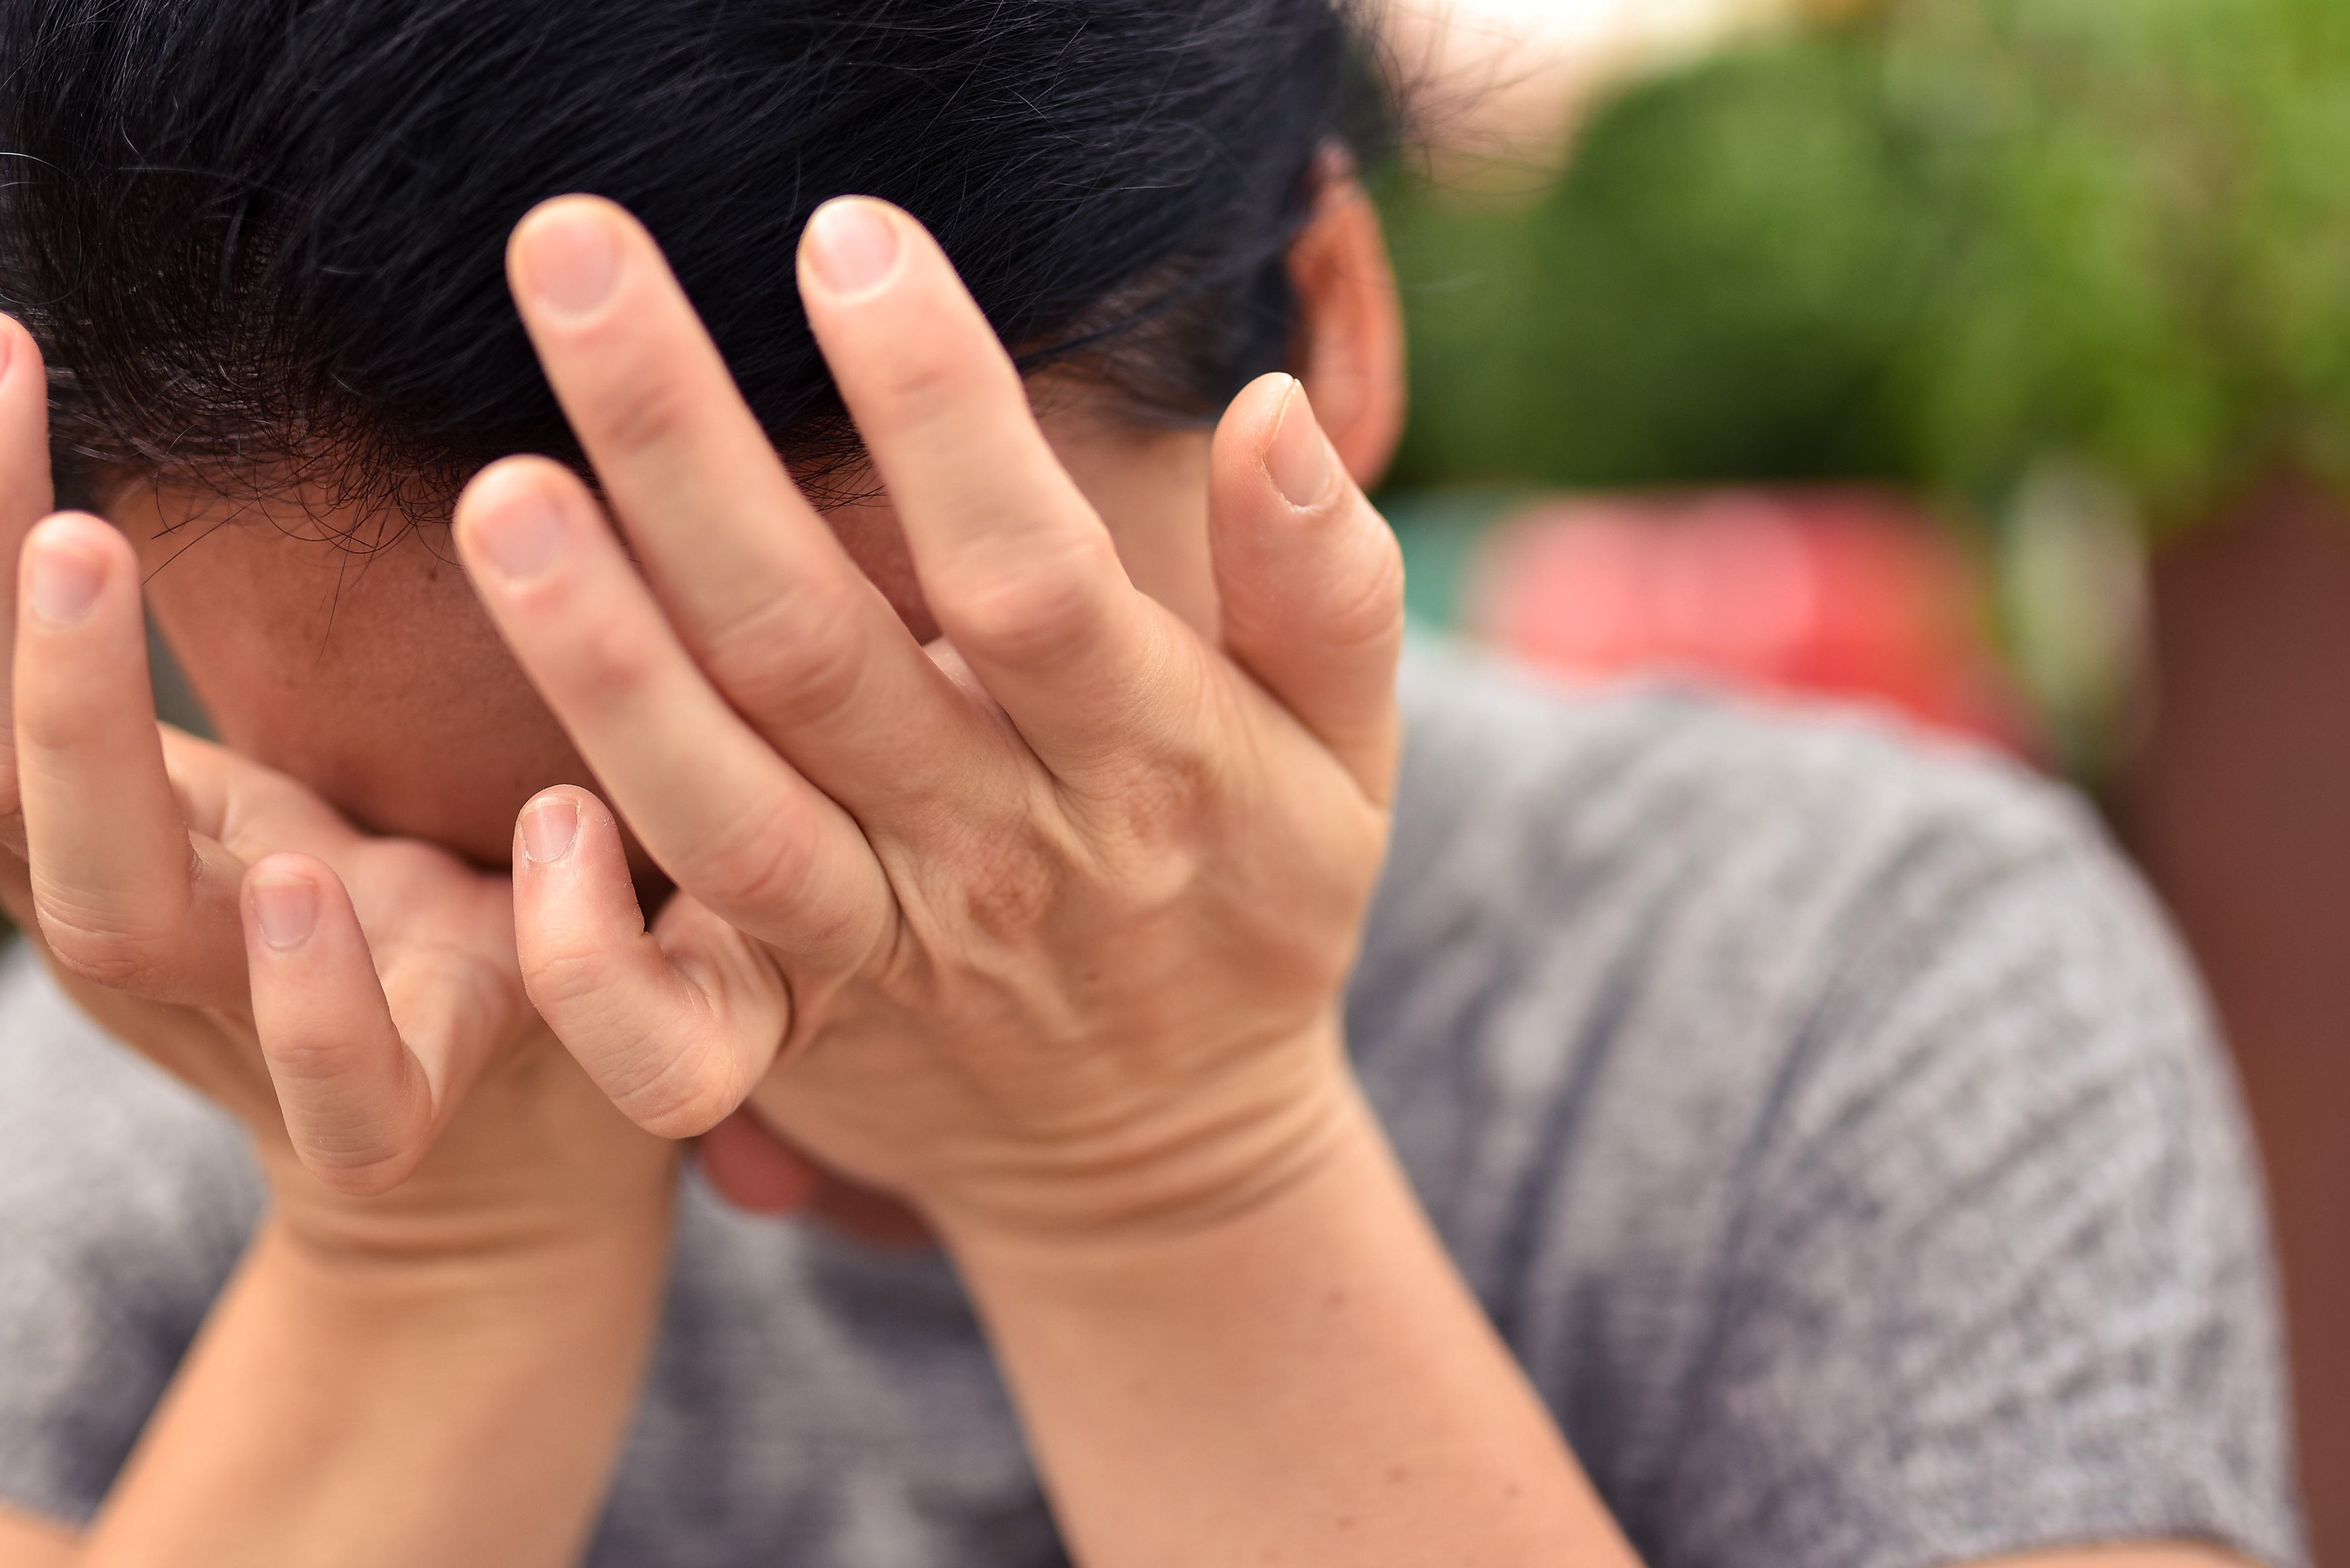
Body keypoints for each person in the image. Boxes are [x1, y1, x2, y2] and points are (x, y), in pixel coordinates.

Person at [0, 2, 2305, 1565]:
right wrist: (426, 1268)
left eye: (869, 774)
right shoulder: (178, 1090)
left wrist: (1169, 1180)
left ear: (1335, 325)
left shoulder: (1852, 997)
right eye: (471, 849)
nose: (678, 998)